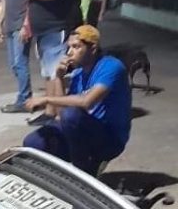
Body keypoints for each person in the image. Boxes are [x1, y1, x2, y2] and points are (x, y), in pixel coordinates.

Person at [23, 25, 131, 175]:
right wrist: (58, 77)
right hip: (82, 134)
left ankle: (83, 172)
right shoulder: (78, 73)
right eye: (69, 47)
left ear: (92, 48)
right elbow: (60, 115)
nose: (69, 52)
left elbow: (87, 101)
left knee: (72, 115)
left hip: (109, 138)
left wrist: (46, 99)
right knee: (33, 142)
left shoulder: (111, 66)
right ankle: (66, 173)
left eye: (76, 47)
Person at [16, 0, 80, 121]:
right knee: (48, 74)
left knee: (56, 75)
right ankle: (50, 112)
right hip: (44, 31)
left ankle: (62, 119)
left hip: (56, 28)